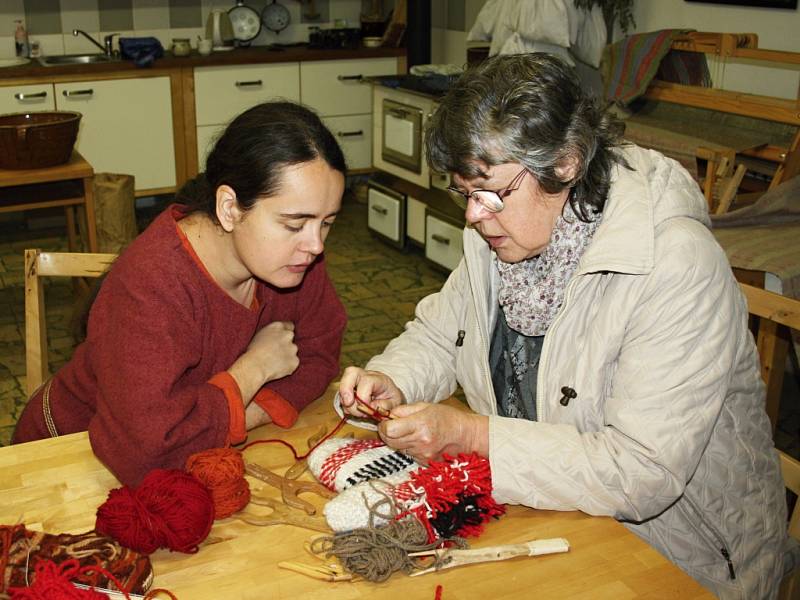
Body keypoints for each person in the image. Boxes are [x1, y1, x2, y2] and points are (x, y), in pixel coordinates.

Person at [338, 54, 789, 598]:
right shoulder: (505, 230)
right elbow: (442, 332)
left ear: (567, 162)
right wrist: (394, 379)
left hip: (676, 555)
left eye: (490, 193)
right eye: (465, 193)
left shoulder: (674, 265)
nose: (473, 215)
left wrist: (472, 435)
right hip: (554, 513)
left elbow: (639, 472)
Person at [14, 101, 348, 486]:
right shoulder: (152, 285)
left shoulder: (294, 259)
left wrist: (239, 414)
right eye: (295, 224)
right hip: (64, 460)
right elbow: (147, 453)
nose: (316, 245)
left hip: (187, 459)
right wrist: (252, 370)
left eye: (327, 223)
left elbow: (320, 351)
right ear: (229, 208)